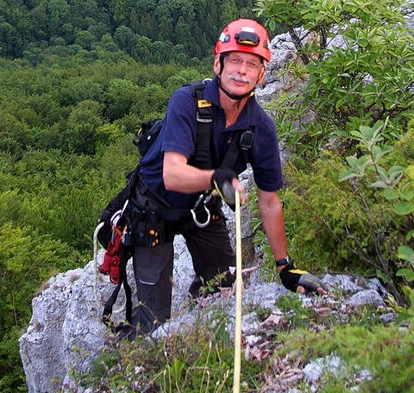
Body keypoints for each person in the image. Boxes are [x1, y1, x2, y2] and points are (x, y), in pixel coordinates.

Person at [129, 18, 325, 333]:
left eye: (251, 64)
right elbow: (172, 174)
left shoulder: (260, 128)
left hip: (200, 209)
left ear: (262, 75)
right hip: (153, 210)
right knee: (153, 320)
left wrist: (285, 267)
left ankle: (202, 334)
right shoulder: (186, 102)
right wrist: (215, 179)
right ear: (218, 64)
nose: (241, 70)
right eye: (234, 60)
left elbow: (270, 201)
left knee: (223, 288)